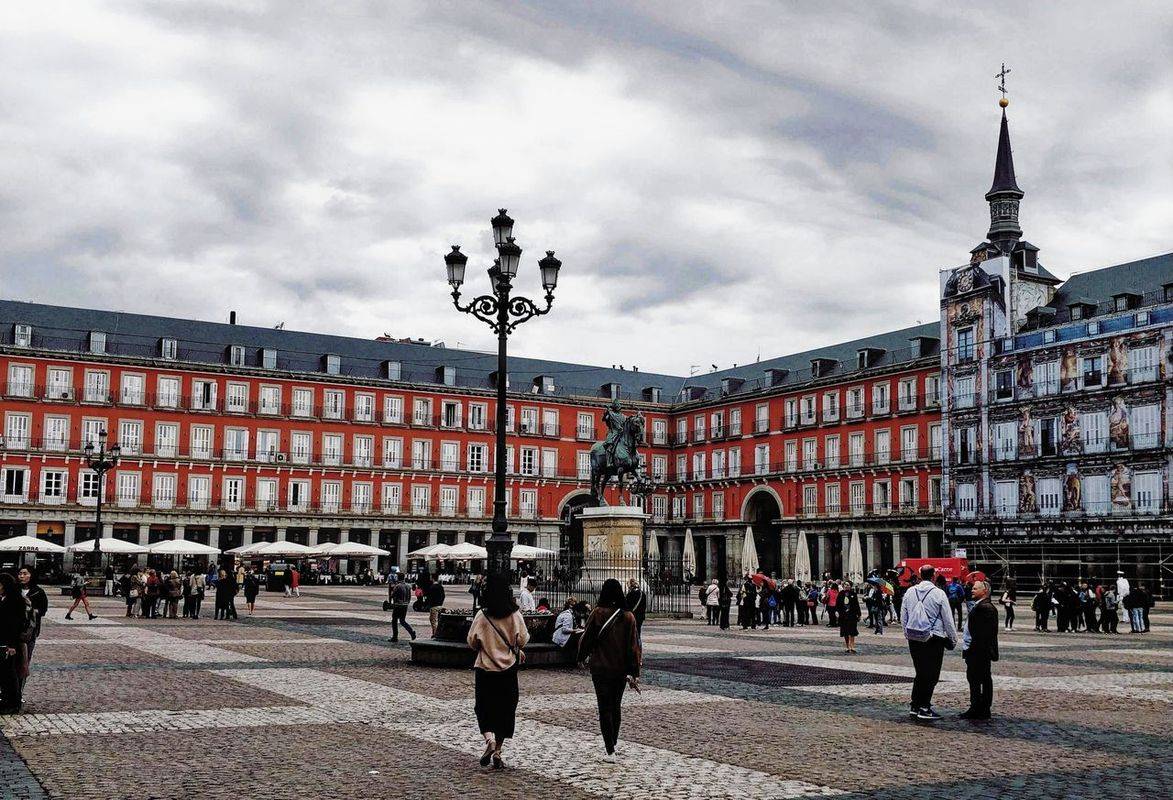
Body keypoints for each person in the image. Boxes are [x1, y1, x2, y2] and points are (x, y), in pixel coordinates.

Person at [467, 573, 528, 770]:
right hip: (508, 670)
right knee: (505, 710)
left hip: (485, 668)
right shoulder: (515, 615)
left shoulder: (482, 615)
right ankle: (499, 751)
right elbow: (523, 640)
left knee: (483, 707)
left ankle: (489, 740)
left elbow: (472, 642)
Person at [578, 578, 641, 760]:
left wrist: (580, 657)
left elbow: (587, 638)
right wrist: (634, 671)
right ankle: (612, 742)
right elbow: (633, 647)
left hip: (600, 668)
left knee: (604, 708)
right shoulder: (628, 616)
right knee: (615, 706)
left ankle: (610, 749)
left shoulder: (597, 613)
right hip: (620, 669)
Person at [900, 564, 957, 721]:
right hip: (934, 638)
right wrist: (952, 638)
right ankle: (924, 707)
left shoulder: (910, 592)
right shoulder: (938, 593)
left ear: (919, 576)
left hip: (914, 638)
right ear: (933, 576)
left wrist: (907, 633)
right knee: (932, 674)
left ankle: (915, 705)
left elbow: (903, 615)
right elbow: (948, 618)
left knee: (920, 672)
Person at [960, 580, 999, 720]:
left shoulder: (986, 608)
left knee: (979, 679)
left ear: (985, 591)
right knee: (976, 679)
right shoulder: (981, 606)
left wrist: (972, 649)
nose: (972, 590)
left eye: (975, 588)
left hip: (979, 651)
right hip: (976, 650)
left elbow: (985, 634)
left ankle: (979, 708)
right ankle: (978, 707)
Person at [0, 572, 31, 714]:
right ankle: (6, 700)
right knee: (4, 673)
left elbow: (15, 625)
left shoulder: (15, 601)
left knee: (10, 673)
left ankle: (13, 703)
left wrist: (12, 645)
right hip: (3, 641)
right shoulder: (5, 599)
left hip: (10, 643)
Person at [16, 568, 47, 687]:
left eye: (25, 574)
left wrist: (29, 610)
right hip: (13, 631)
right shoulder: (14, 590)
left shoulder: (38, 592)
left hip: (29, 632)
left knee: (24, 662)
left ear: (31, 575)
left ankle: (19, 692)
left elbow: (43, 610)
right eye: (20, 574)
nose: (21, 576)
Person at [388, 576, 416, 642]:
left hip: (398, 605)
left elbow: (392, 595)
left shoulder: (397, 586)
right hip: (405, 605)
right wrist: (407, 602)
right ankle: (411, 632)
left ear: (398, 578)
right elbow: (409, 596)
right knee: (402, 621)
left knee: (394, 620)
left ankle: (395, 636)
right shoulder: (408, 586)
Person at [837, 580, 861, 653]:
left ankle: (852, 646)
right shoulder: (841, 594)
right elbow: (838, 604)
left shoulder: (853, 594)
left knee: (852, 631)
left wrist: (859, 614)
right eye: (845, 585)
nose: (846, 586)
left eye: (848, 585)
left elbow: (856, 604)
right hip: (843, 615)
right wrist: (838, 612)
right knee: (845, 632)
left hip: (852, 615)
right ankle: (847, 646)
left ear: (850, 586)